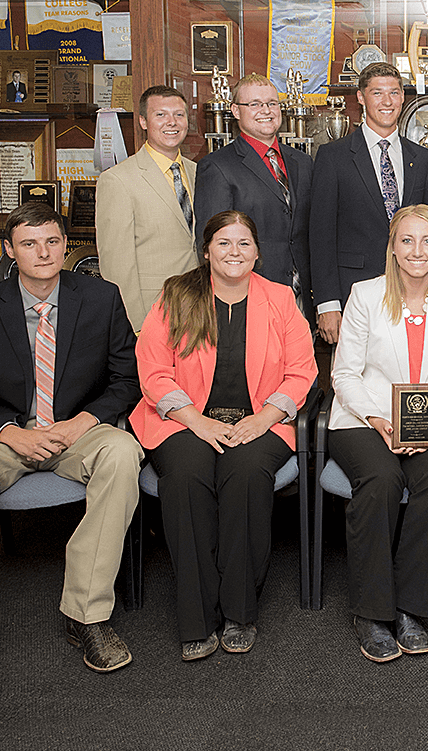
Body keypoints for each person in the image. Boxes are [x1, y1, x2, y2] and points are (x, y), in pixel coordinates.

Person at [0, 202, 142, 736]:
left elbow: (128, 380)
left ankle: (86, 614)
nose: (42, 253)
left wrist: (78, 425)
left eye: (51, 242)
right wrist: (9, 433)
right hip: (4, 436)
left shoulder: (100, 298)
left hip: (75, 431)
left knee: (121, 453)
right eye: (29, 243)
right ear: (9, 250)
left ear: (66, 245)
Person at [131, 210, 317, 662]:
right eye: (224, 243)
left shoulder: (279, 299)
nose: (234, 252)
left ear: (257, 251)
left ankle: (239, 611)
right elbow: (153, 370)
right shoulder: (177, 295)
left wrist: (265, 418)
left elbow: (301, 372)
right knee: (188, 477)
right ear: (207, 249)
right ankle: (196, 618)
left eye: (244, 244)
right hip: (184, 418)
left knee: (247, 473)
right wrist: (196, 420)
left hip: (262, 418)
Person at [327, 204, 428, 663]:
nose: (417, 250)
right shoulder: (366, 295)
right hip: (363, 419)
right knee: (382, 480)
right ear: (392, 247)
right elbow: (345, 374)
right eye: (407, 240)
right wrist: (378, 419)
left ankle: (410, 606)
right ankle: (371, 612)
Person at [309, 62, 428, 345]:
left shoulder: (421, 158)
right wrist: (328, 304)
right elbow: (321, 235)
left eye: (394, 92)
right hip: (352, 293)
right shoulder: (334, 157)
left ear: (403, 97)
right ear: (361, 98)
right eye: (377, 93)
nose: (387, 101)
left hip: (412, 293)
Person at [194, 73, 315, 323]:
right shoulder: (217, 167)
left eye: (272, 103)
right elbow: (213, 245)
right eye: (255, 104)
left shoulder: (302, 163)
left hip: (303, 300)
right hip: (248, 300)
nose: (266, 111)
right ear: (235, 111)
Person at [96, 85, 199, 330]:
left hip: (200, 310)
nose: (171, 122)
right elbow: (116, 266)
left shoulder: (198, 173)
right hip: (153, 315)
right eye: (160, 115)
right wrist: (135, 326)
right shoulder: (118, 180)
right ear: (143, 121)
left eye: (179, 115)